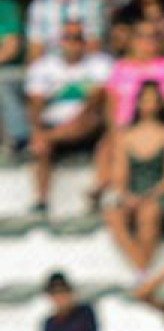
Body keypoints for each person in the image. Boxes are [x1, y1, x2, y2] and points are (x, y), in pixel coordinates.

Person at [26, 21, 111, 214]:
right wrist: (39, 127)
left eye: (78, 38)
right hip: (55, 123)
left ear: (85, 41)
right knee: (41, 145)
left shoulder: (100, 63)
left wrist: (74, 121)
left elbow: (97, 98)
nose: (73, 43)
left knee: (101, 129)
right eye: (68, 38)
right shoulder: (42, 67)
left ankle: (98, 191)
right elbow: (36, 103)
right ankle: (41, 200)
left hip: (88, 123)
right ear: (60, 42)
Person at [102, 80, 164, 272]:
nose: (149, 104)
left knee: (149, 212)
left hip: (159, 194)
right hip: (133, 193)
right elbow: (120, 175)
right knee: (113, 214)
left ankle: (143, 267)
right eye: (145, 99)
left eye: (154, 99)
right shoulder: (126, 136)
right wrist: (126, 195)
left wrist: (152, 195)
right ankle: (140, 264)